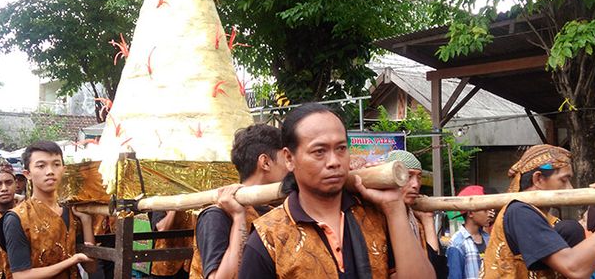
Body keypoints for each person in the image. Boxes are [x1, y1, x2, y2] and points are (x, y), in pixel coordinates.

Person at [238, 103, 435, 279]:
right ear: (289, 158)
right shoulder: (269, 238)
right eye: (319, 151)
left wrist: (394, 208)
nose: (334, 162)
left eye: (341, 148)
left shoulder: (377, 217)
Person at [479, 144, 595, 279]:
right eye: (564, 180)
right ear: (538, 179)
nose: (570, 188)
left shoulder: (549, 221)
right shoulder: (519, 211)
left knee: (571, 230)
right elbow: (575, 269)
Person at [189, 123, 289, 279]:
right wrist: (238, 218)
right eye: (287, 159)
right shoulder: (216, 216)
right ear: (265, 162)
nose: (292, 166)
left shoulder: (275, 210)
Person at [0, 141, 96, 279]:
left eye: (56, 164)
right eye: (41, 166)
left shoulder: (72, 212)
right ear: (27, 174)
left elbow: (91, 267)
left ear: (64, 169)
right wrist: (72, 261)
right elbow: (21, 276)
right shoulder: (17, 218)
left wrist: (86, 221)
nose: (50, 171)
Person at [384, 150, 448, 278]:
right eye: (408, 176)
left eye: (419, 177)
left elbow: (437, 271)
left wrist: (428, 221)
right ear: (391, 178)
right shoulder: (378, 221)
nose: (416, 185)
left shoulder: (416, 222)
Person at [447, 185, 492, 279]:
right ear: (471, 213)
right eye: (485, 210)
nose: (489, 214)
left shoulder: (489, 239)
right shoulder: (457, 243)